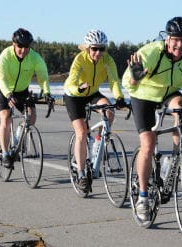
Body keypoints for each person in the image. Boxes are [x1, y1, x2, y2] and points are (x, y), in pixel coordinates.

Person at [122, 17, 182, 221]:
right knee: (148, 145)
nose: (180, 44)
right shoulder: (149, 52)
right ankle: (142, 197)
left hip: (170, 93)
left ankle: (177, 157)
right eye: (176, 39)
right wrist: (134, 78)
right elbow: (127, 84)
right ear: (168, 39)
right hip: (143, 94)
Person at [63, 29, 126, 191]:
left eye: (101, 48)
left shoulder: (107, 60)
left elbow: (114, 81)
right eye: (94, 49)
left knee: (109, 112)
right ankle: (82, 173)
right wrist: (79, 89)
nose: (98, 52)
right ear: (87, 48)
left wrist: (119, 97)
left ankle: (98, 144)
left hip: (92, 93)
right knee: (82, 133)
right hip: (75, 95)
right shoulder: (80, 59)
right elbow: (71, 82)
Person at [0, 28, 54, 168]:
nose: (23, 50)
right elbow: (0, 78)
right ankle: (6, 154)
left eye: (27, 47)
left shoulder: (35, 58)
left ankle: (16, 138)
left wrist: (47, 93)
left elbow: (43, 77)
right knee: (6, 118)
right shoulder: (5, 56)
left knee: (31, 118)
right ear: (13, 44)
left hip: (22, 91)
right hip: (3, 89)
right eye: (20, 46)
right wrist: (8, 94)